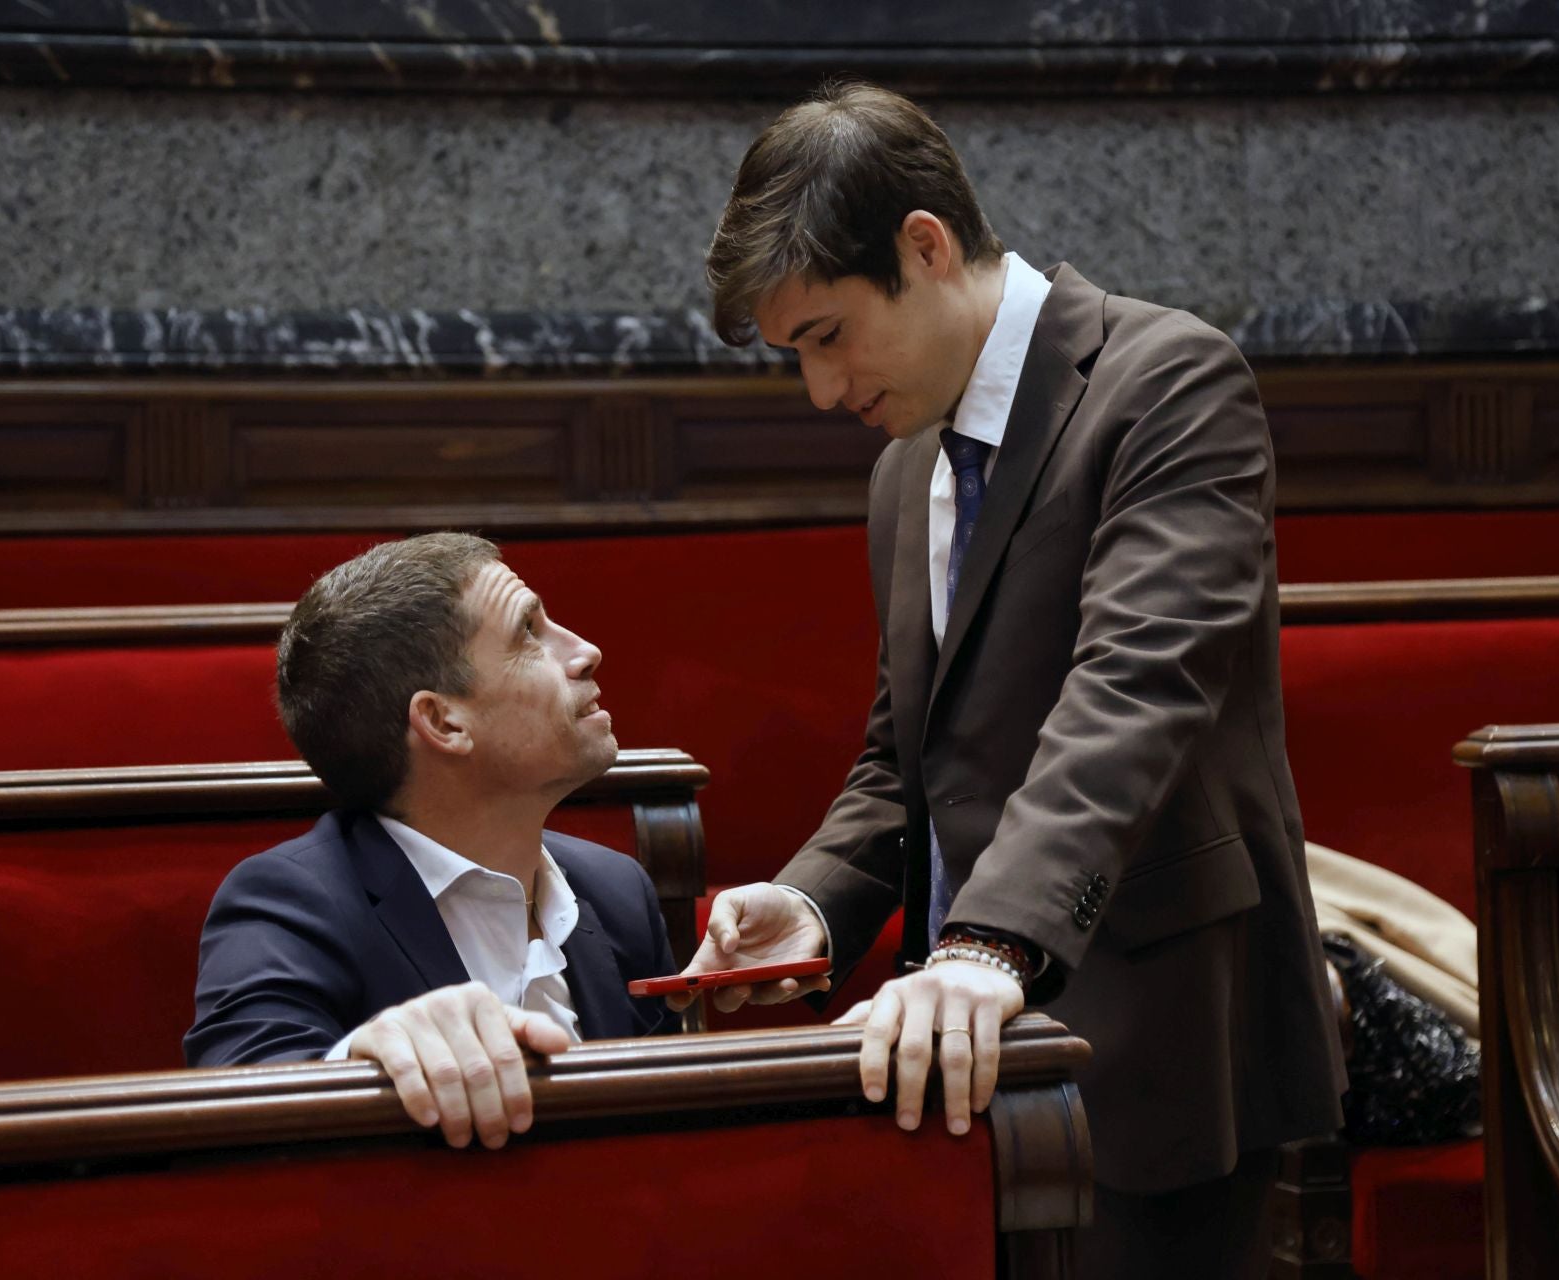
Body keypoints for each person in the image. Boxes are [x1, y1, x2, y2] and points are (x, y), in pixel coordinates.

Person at [679, 81, 1346, 1275]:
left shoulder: (1168, 381)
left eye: (827, 336)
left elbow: (1134, 693)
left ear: (924, 247)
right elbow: (907, 756)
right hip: (947, 1059)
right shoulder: (904, 469)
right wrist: (814, 902)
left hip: (1154, 1043)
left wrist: (989, 942)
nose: (822, 390)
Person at [186, 534, 679, 1150]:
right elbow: (236, 1095)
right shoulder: (289, 901)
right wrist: (364, 1057)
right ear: (443, 721)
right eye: (529, 633)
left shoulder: (617, 887)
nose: (585, 652)